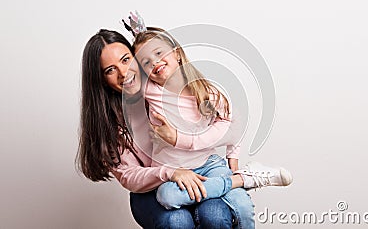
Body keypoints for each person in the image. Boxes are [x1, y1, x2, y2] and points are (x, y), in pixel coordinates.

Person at [130, 21, 293, 229]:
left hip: (208, 165)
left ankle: (243, 178)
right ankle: (242, 180)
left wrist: (233, 155)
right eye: (146, 61)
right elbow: (124, 73)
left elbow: (234, 121)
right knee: (167, 196)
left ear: (177, 53)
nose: (155, 62)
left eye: (159, 52)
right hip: (173, 171)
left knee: (241, 205)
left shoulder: (206, 92)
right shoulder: (150, 91)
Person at [76, 29, 235, 228]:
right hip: (150, 191)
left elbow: (223, 116)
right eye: (110, 70)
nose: (123, 73)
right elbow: (128, 175)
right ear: (101, 80)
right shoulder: (109, 121)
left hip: (196, 172)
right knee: (177, 221)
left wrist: (232, 152)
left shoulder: (166, 87)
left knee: (215, 215)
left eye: (126, 60)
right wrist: (170, 172)